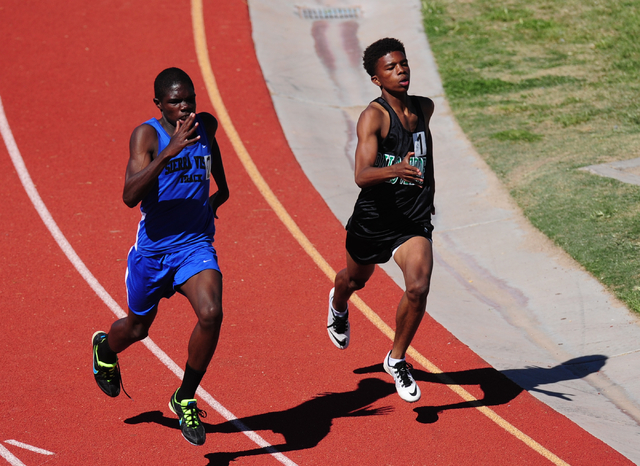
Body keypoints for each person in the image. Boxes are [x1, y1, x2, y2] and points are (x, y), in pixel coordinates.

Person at [91, 67, 229, 446]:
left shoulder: (206, 125)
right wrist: (170, 152)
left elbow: (213, 149)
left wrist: (224, 190)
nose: (184, 108)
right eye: (175, 102)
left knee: (211, 314)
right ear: (159, 104)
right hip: (153, 252)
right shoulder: (148, 135)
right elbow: (129, 195)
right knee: (137, 329)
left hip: (195, 246)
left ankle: (184, 396)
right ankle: (104, 348)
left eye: (189, 99)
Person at [327, 38, 435, 403]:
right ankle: (339, 303)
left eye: (403, 64)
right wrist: (397, 169)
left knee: (418, 288)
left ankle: (397, 358)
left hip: (413, 219)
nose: (400, 70)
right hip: (375, 218)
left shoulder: (424, 108)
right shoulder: (374, 116)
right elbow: (361, 173)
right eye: (390, 68)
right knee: (355, 279)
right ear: (376, 79)